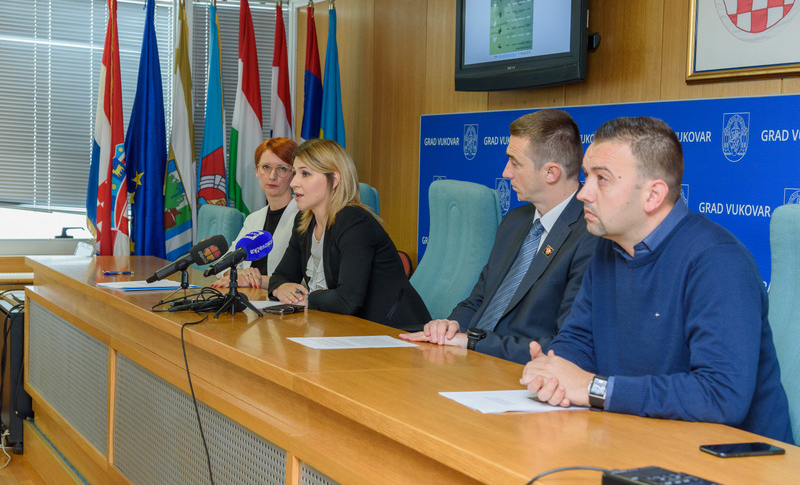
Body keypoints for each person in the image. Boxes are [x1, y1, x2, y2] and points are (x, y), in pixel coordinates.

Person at [520, 116, 793, 443]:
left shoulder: (719, 261)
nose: (584, 193)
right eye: (586, 176)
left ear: (653, 195)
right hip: (641, 437)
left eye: (601, 179)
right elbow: (578, 339)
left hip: (736, 462)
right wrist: (554, 372)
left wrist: (594, 388)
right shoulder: (609, 246)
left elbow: (721, 396)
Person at [400, 109, 597, 363]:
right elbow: (479, 299)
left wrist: (473, 342)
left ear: (551, 173)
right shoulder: (515, 221)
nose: (506, 172)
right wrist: (451, 325)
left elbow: (564, 345)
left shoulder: (591, 235)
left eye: (515, 163)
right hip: (469, 359)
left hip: (518, 369)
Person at [268, 138, 431, 329]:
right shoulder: (304, 222)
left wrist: (308, 298)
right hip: (347, 328)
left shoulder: (354, 222)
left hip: (395, 331)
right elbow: (280, 276)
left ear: (334, 179)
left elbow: (347, 300)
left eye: (305, 173)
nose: (294, 182)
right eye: (295, 173)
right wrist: (281, 288)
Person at [212, 138, 299, 289]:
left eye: (282, 168)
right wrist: (240, 275)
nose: (272, 176)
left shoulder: (304, 218)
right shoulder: (254, 218)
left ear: (294, 174)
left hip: (280, 300)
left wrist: (252, 279)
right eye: (266, 167)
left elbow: (299, 279)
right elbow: (223, 265)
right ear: (257, 172)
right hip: (251, 296)